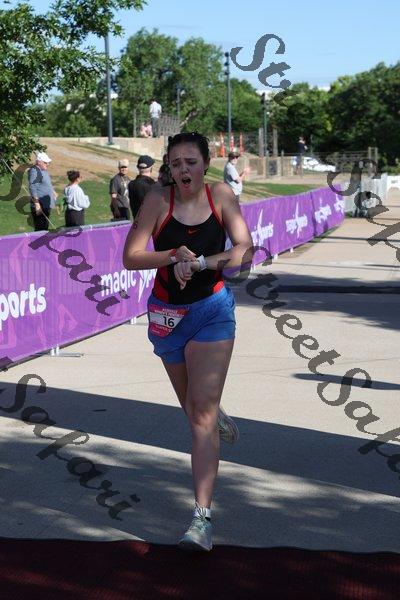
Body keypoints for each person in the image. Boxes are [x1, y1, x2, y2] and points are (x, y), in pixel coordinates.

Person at [123, 132, 253, 552]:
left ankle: (201, 519)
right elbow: (130, 256)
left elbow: (245, 249)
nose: (183, 170)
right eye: (176, 163)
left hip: (212, 310)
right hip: (167, 317)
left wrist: (200, 263)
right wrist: (172, 255)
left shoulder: (221, 196)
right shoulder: (157, 201)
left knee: (200, 416)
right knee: (195, 410)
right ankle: (214, 413)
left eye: (191, 162)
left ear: (206, 164)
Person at [28, 151, 57, 231]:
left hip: (46, 205)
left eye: (48, 162)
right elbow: (32, 188)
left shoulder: (43, 170)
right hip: (40, 206)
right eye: (45, 162)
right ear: (39, 162)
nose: (48, 164)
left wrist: (53, 192)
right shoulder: (35, 171)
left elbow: (46, 183)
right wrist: (37, 205)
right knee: (40, 230)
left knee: (44, 228)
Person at [128, 155, 156, 219]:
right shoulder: (152, 186)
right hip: (150, 222)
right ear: (151, 169)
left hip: (137, 221)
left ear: (138, 167)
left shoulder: (131, 184)